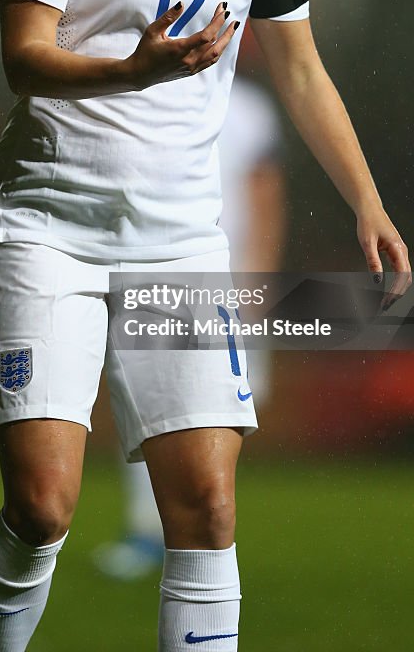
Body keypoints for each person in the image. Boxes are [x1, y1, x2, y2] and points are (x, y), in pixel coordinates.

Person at [0, 0, 411, 652]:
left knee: (204, 508)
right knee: (42, 507)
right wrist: (132, 70)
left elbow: (300, 71)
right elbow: (22, 59)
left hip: (177, 242)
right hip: (49, 232)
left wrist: (366, 201)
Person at [91, 67, 287, 581]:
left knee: (220, 410)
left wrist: (260, 275)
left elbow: (266, 194)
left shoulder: (249, 108)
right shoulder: (147, 86)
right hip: (157, 268)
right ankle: (148, 530)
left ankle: (201, 530)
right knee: (148, 400)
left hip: (228, 275)